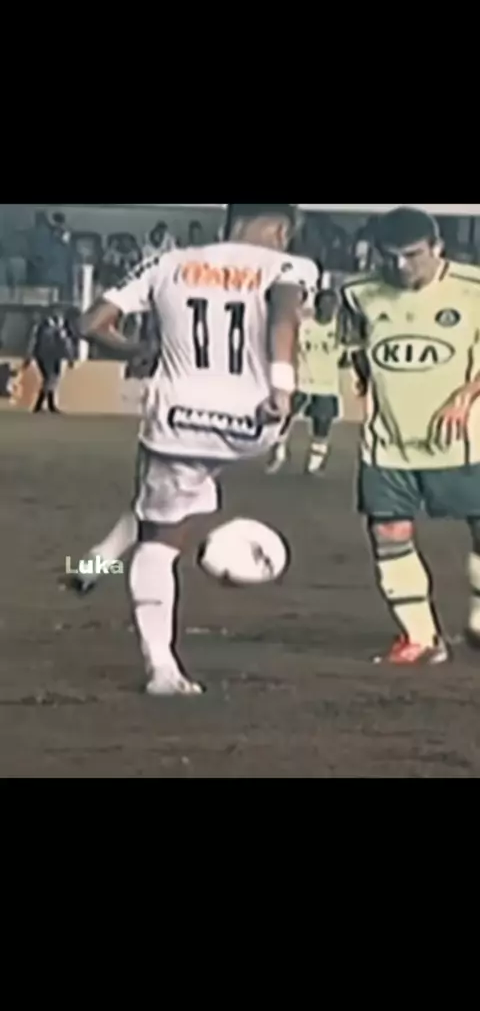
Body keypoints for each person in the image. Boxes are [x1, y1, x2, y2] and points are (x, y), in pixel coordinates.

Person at [79, 203, 318, 696]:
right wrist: (282, 388)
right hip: (253, 422)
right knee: (164, 500)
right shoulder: (291, 266)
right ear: (280, 227)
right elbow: (284, 319)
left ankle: (162, 668)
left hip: (179, 420)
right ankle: (90, 566)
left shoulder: (167, 262)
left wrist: (140, 351)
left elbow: (91, 325)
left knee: (160, 534)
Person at [343, 206, 480, 667]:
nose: (401, 266)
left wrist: (465, 395)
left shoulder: (474, 288)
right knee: (388, 532)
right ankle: (420, 637)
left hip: (463, 439)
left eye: (412, 255)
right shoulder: (358, 293)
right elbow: (358, 349)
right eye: (390, 256)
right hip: (388, 441)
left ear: (438, 248)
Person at [266, 289, 344, 475]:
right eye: (324, 304)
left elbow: (348, 354)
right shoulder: (304, 326)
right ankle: (278, 451)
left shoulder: (341, 330)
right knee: (284, 418)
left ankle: (314, 464)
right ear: (316, 305)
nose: (328, 309)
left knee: (322, 424)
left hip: (327, 386)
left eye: (331, 305)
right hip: (302, 383)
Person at [24, 309, 75, 413]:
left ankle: (46, 405)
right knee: (49, 378)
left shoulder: (60, 326)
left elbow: (66, 343)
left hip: (54, 355)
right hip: (44, 355)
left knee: (53, 379)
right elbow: (34, 341)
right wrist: (29, 356)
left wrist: (70, 357)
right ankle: (42, 405)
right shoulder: (43, 326)